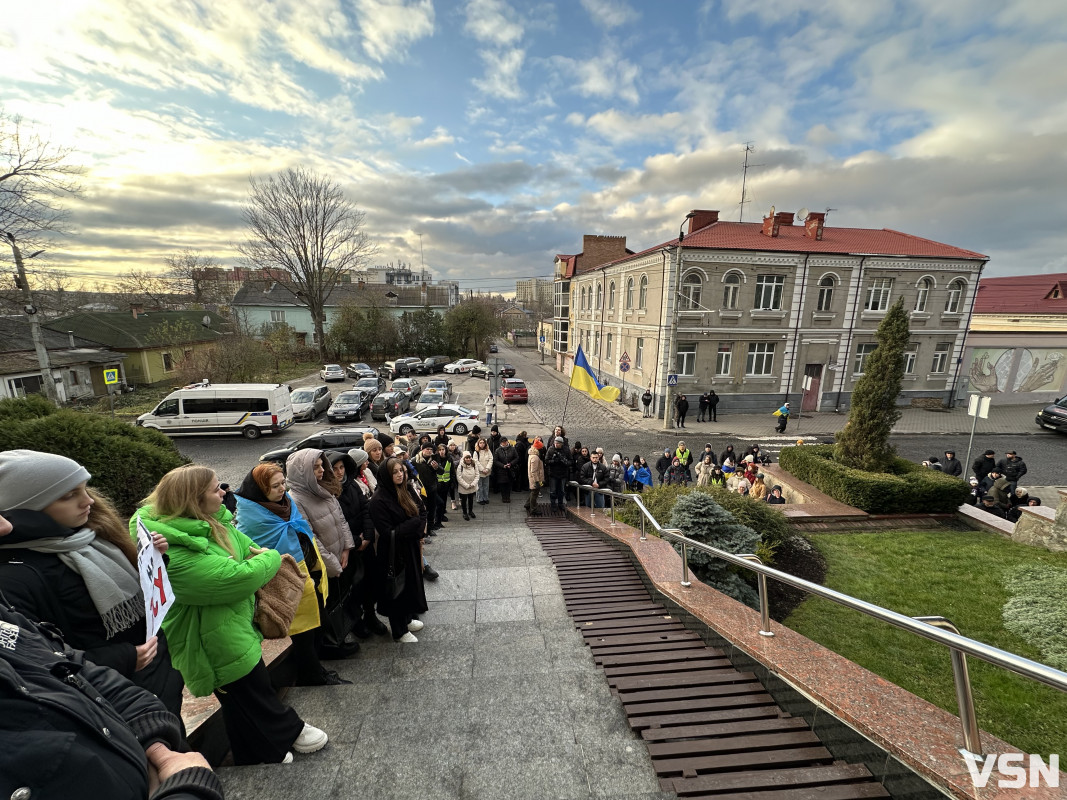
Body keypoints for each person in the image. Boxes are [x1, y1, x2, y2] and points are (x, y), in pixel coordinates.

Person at [132, 465, 328, 765]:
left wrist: (252, 558)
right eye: (215, 489)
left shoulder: (209, 522)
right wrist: (272, 558)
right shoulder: (171, 550)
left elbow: (244, 548)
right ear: (193, 500)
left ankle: (255, 753)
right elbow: (234, 579)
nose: (224, 492)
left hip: (230, 626)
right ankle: (286, 733)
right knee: (250, 692)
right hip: (210, 639)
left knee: (245, 696)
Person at [0, 543, 225, 800]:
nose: (6, 524)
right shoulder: (16, 575)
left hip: (146, 703)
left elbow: (68, 665)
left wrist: (157, 748)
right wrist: (189, 788)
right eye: (67, 498)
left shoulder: (98, 539)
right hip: (133, 684)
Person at [0, 450, 185, 721]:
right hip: (113, 703)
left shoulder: (89, 535)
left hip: (157, 677)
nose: (88, 501)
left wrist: (154, 560)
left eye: (85, 489)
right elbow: (33, 660)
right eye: (68, 495)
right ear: (25, 507)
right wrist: (122, 657)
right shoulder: (13, 577)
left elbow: (131, 592)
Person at [233, 463, 342, 686]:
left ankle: (317, 668)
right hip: (284, 581)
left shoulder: (286, 503)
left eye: (283, 483)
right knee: (301, 632)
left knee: (314, 623)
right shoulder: (252, 516)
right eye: (275, 486)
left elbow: (300, 530)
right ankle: (311, 675)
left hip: (307, 570)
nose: (282, 489)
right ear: (260, 489)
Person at [328, 450, 390, 642]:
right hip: (348, 549)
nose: (339, 473)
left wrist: (368, 535)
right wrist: (356, 541)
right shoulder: (327, 493)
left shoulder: (351, 485)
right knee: (354, 588)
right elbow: (335, 524)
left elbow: (365, 509)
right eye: (335, 469)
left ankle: (370, 615)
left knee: (371, 583)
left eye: (341, 468)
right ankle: (357, 622)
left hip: (366, 543)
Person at [367, 458, 429, 643]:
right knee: (397, 590)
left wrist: (416, 527)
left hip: (409, 545)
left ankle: (408, 619)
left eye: (401, 470)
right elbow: (388, 532)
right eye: (395, 472)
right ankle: (399, 630)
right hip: (393, 552)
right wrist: (413, 524)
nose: (400, 474)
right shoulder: (378, 500)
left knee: (409, 584)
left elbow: (422, 512)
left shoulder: (406, 489)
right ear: (387, 475)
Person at [413, 443, 445, 531]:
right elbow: (412, 474)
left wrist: (437, 467)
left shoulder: (434, 458)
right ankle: (424, 530)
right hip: (421, 489)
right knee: (423, 510)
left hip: (432, 488)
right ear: (422, 449)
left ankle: (430, 528)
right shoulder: (415, 460)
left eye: (431, 449)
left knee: (432, 509)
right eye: (427, 449)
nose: (429, 451)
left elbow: (441, 471)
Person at [545, 436, 572, 511]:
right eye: (555, 443)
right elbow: (546, 461)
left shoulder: (566, 450)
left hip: (563, 473)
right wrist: (554, 461)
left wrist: (565, 462)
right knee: (553, 490)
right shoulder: (551, 449)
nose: (556, 444)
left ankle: (560, 504)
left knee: (562, 490)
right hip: (553, 473)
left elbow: (571, 461)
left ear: (561, 444)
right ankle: (553, 504)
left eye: (558, 443)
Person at [494, 435, 519, 503]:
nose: (504, 443)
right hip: (501, 470)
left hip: (510, 469)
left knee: (508, 484)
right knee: (502, 485)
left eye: (505, 442)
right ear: (501, 443)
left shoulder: (512, 449)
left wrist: (511, 463)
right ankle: (503, 497)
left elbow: (516, 458)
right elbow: (495, 461)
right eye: (503, 442)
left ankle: (508, 497)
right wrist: (503, 465)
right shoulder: (498, 450)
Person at [456, 451, 479, 520]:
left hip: (472, 486)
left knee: (471, 499)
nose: (468, 459)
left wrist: (473, 484)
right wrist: (466, 485)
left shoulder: (474, 465)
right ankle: (465, 513)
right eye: (466, 458)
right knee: (464, 500)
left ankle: (470, 511)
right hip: (464, 487)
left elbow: (477, 475)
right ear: (464, 459)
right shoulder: (460, 467)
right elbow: (459, 477)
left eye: (469, 458)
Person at [526, 439, 545, 516]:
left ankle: (527, 504)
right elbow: (533, 471)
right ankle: (533, 509)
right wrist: (537, 481)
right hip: (535, 479)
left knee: (533, 492)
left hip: (534, 478)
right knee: (535, 493)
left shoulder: (532, 455)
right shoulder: (535, 457)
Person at [473, 438, 494, 505]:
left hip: (487, 472)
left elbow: (491, 459)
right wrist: (482, 469)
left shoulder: (488, 451)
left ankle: (485, 498)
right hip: (479, 472)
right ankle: (480, 499)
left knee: (486, 486)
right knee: (479, 486)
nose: (482, 444)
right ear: (478, 444)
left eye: (483, 443)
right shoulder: (476, 452)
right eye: (480, 443)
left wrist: (487, 468)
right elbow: (476, 462)